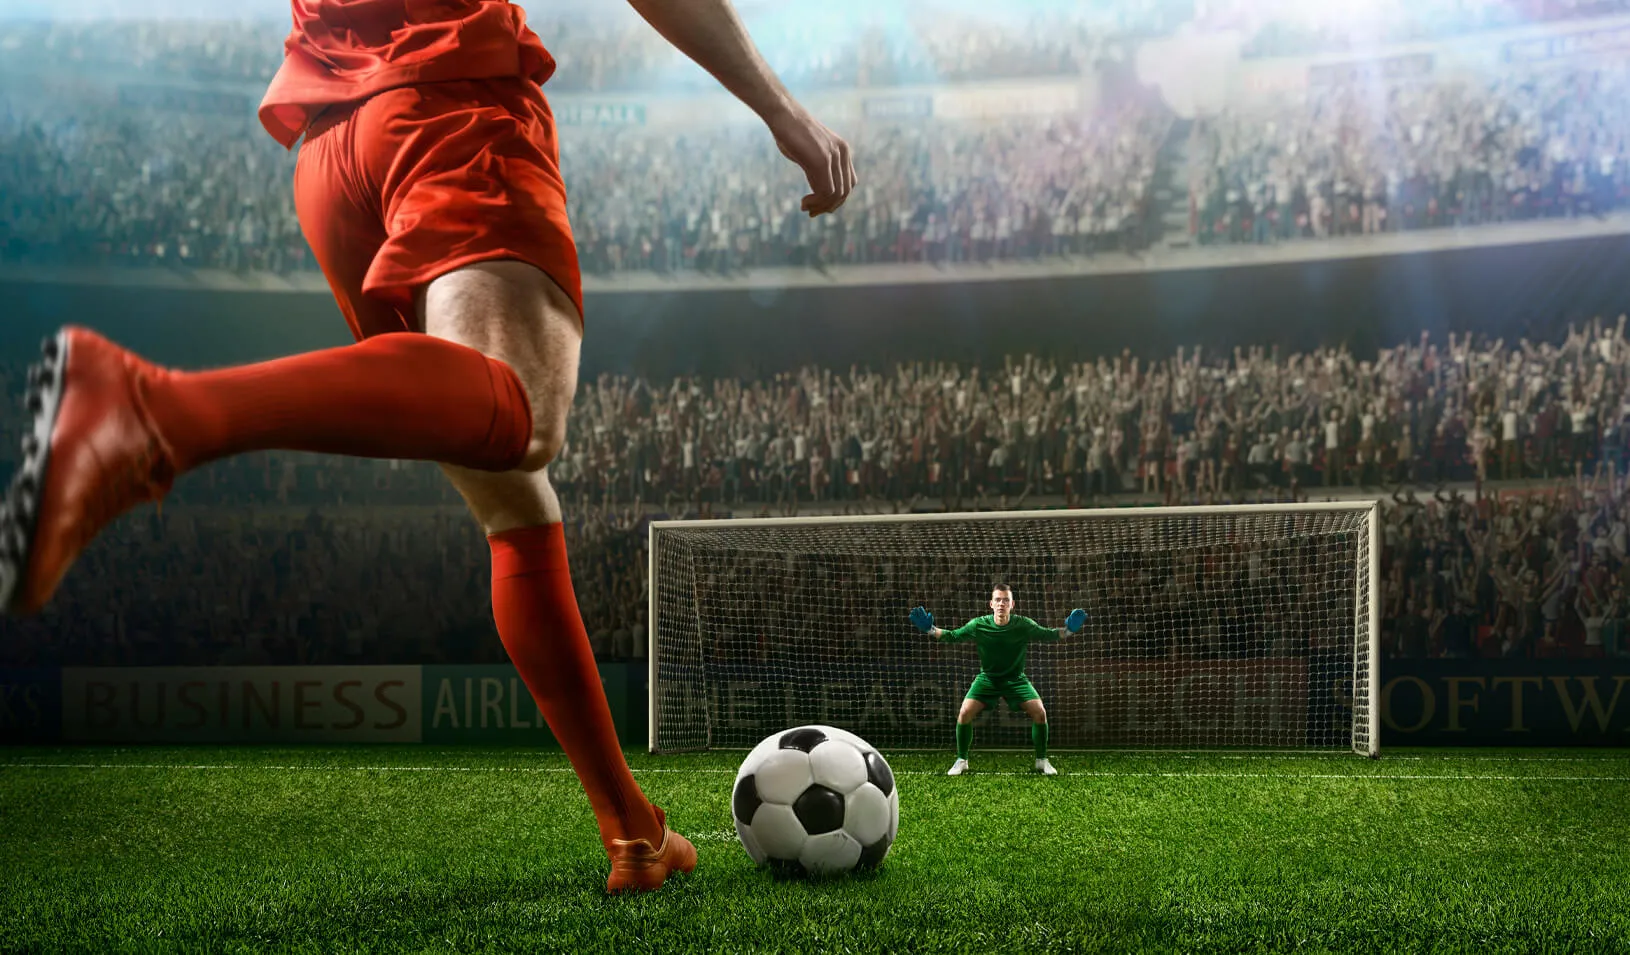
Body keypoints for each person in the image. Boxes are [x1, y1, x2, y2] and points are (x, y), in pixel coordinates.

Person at [0, 0, 854, 895]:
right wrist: (783, 110)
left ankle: (634, 832)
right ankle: (150, 411)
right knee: (520, 409)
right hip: (447, 98)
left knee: (510, 488)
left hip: (329, 146)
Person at [909, 585, 1087, 777]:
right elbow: (952, 636)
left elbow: (1049, 634)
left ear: (1012, 604)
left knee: (1040, 713)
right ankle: (962, 760)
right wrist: (930, 629)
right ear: (991, 604)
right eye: (998, 600)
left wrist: (1069, 630)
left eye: (1006, 600)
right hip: (988, 679)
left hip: (1016, 680)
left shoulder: (1023, 624)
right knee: (964, 714)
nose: (1002, 603)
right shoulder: (979, 624)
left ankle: (1042, 760)